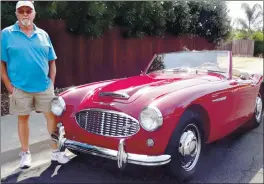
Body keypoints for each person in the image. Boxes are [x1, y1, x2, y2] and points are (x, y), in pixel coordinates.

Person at [1, 1, 70, 169]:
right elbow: (2, 63)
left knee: (51, 118)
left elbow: (52, 61)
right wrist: (9, 87)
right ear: (16, 14)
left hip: (44, 87)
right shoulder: (6, 34)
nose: (25, 14)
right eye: (21, 11)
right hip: (20, 88)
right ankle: (25, 153)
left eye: (28, 10)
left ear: (34, 13)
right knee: (23, 120)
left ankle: (56, 152)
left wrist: (51, 83)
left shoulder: (43, 35)